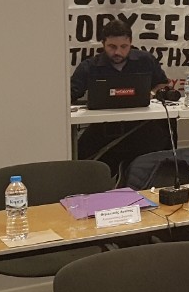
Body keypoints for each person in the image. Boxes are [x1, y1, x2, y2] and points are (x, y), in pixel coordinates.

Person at [70, 18, 172, 178]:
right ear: (103, 44)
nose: (118, 52)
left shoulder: (145, 60)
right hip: (103, 128)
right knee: (82, 157)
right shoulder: (89, 66)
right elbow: (70, 93)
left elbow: (163, 84)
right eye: (112, 47)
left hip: (141, 126)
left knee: (163, 142)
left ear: (131, 43)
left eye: (124, 46)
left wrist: (152, 93)